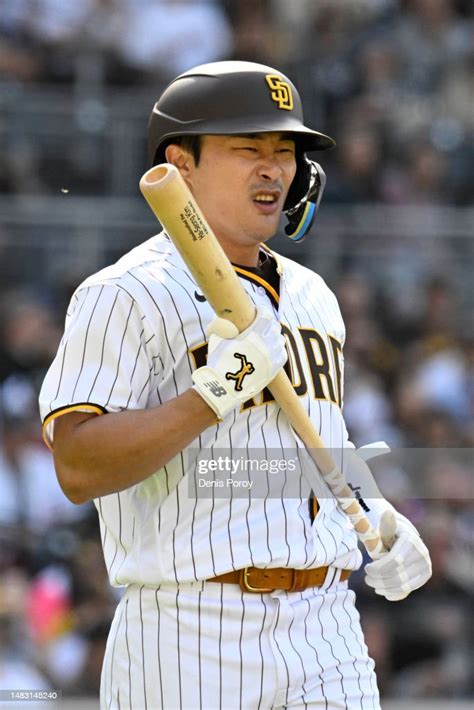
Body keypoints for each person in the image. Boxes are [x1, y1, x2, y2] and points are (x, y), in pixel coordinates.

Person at [39, 61, 431, 709]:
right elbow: (78, 467)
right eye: (248, 148)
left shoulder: (313, 295)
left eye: (284, 152)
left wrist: (376, 515)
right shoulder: (126, 293)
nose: (274, 169)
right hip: (190, 626)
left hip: (324, 621)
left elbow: (318, 443)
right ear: (180, 162)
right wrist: (207, 398)